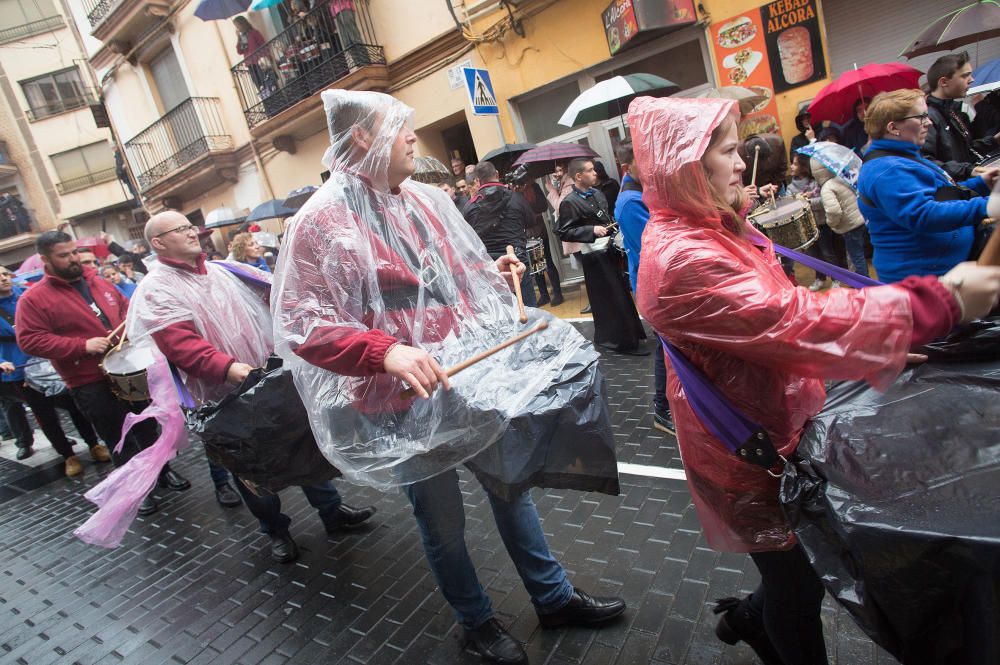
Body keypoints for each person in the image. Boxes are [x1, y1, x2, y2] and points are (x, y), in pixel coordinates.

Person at [628, 94, 1000, 665]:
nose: (741, 162)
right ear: (685, 165)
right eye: (728, 151)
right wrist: (937, 302)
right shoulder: (683, 256)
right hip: (746, 447)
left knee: (793, 568)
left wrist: (881, 340)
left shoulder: (708, 226)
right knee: (796, 584)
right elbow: (792, 321)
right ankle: (763, 627)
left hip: (775, 416)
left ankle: (749, 619)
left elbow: (782, 317)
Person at [271, 90, 625, 665]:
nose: (413, 137)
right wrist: (383, 352)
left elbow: (450, 275)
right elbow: (302, 321)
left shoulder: (426, 200)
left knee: (512, 489)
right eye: (401, 127)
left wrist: (491, 271)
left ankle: (553, 597)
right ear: (363, 136)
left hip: (468, 380)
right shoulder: (320, 221)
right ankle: (476, 621)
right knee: (442, 519)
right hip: (398, 399)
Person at [126, 211, 376, 561]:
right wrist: (231, 370)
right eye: (180, 229)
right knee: (251, 466)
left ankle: (332, 511)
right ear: (158, 242)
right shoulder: (156, 290)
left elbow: (272, 299)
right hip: (225, 394)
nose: (191, 232)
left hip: (269, 377)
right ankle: (276, 531)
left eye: (190, 226)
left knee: (302, 445)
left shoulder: (222, 270)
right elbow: (180, 345)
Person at [15, 231, 190, 515]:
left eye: (73, 252)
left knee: (147, 426)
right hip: (88, 380)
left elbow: (125, 310)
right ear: (46, 259)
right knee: (116, 436)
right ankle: (135, 490)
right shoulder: (33, 299)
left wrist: (128, 329)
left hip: (127, 371)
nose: (73, 258)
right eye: (64, 255)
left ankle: (163, 471)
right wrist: (81, 345)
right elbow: (30, 339)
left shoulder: (97, 280)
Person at [858, 89, 999, 282]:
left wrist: (981, 183)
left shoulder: (903, 156)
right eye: (921, 117)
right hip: (925, 282)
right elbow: (922, 214)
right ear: (893, 127)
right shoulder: (886, 170)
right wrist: (987, 205)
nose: (929, 122)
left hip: (946, 269)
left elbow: (940, 195)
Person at [0, 268, 110, 469]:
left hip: (52, 361)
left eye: (5, 274)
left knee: (75, 406)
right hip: (20, 369)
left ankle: (93, 444)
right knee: (44, 414)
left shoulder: (28, 296)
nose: (3, 278)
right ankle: (67, 455)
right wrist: (1, 361)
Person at [613, 140, 674, 434]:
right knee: (667, 346)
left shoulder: (639, 191)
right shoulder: (629, 201)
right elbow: (653, 245)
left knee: (671, 346)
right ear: (627, 167)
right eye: (642, 161)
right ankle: (662, 410)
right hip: (654, 285)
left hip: (659, 280)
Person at [557, 158, 647, 355]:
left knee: (621, 295)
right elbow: (564, 231)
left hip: (610, 252)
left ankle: (632, 336)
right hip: (594, 257)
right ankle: (620, 342)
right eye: (590, 170)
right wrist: (590, 230)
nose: (595, 173)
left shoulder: (597, 193)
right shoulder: (569, 203)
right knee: (609, 299)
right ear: (578, 176)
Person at [463, 161, 536, 307]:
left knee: (502, 318)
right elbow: (531, 221)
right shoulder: (516, 197)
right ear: (497, 174)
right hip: (517, 262)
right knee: (529, 315)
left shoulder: (470, 207)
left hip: (490, 269)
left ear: (477, 180)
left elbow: (466, 238)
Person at [923, 51, 1000, 180]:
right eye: (965, 76)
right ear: (944, 82)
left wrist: (994, 140)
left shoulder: (954, 112)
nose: (972, 80)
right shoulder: (928, 118)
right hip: (954, 194)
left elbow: (966, 152)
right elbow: (927, 162)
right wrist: (970, 170)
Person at [809, 149, 869, 278]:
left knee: (856, 257)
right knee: (857, 255)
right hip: (860, 219)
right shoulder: (842, 178)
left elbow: (833, 211)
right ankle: (859, 282)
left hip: (849, 226)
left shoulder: (827, 188)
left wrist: (832, 224)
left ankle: (865, 286)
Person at [785, 154, 840, 290]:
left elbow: (823, 201)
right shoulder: (791, 187)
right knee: (814, 255)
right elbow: (789, 205)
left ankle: (836, 278)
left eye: (795, 164)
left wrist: (807, 201)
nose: (791, 166)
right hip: (804, 227)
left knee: (827, 252)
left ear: (804, 167)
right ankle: (819, 278)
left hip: (821, 223)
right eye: (792, 163)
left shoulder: (815, 182)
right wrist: (799, 200)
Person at [510, 167, 563, 307]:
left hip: (539, 229)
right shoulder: (514, 192)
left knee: (547, 261)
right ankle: (544, 294)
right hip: (525, 231)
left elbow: (543, 206)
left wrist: (527, 206)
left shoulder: (535, 186)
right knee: (534, 264)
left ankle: (557, 293)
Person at [233, 16, 267, 88]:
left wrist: (264, 57)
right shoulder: (242, 38)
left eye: (237, 25)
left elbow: (263, 44)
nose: (237, 28)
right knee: (259, 85)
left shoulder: (254, 33)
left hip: (259, 62)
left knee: (266, 81)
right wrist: (238, 38)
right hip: (250, 64)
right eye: (236, 26)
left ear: (243, 24)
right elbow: (239, 51)